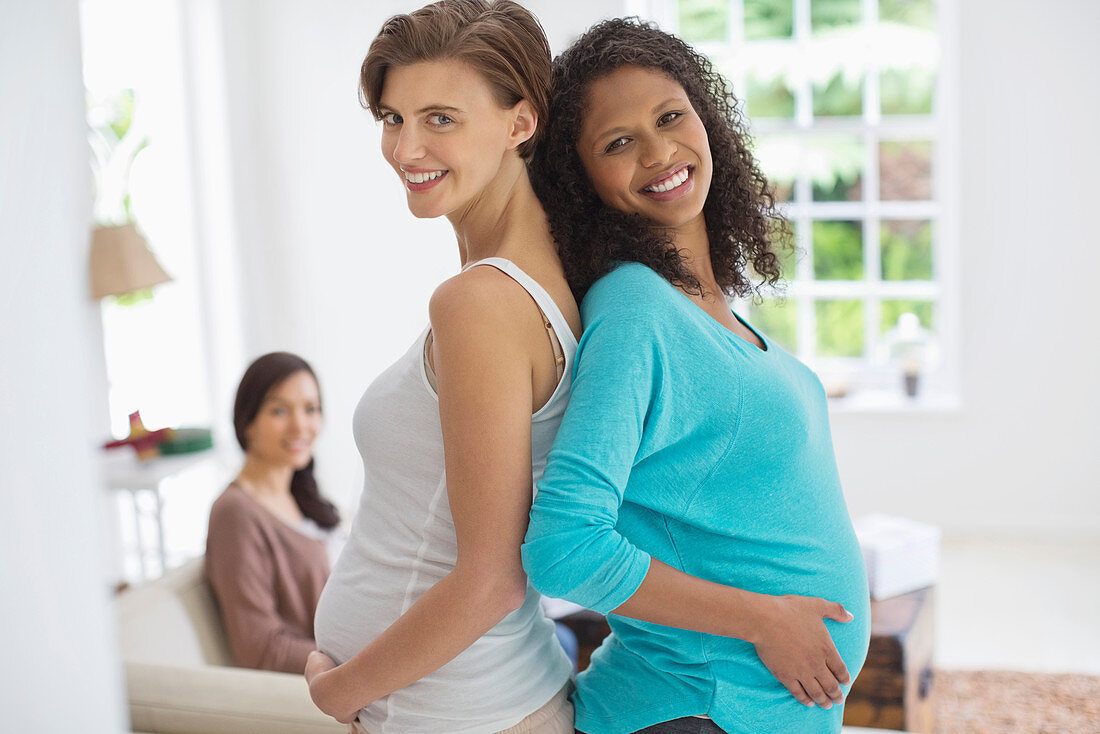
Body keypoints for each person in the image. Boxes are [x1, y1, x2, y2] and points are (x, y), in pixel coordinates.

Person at [522, 18, 871, 734]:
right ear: (581, 179)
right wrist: (766, 620)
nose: (658, 151)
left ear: (707, 120)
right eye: (617, 143)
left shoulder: (711, 314)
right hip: (693, 711)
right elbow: (564, 547)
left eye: (670, 116)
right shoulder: (635, 308)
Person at [305, 2, 580, 732]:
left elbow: (489, 579)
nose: (405, 149)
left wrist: (338, 689)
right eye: (393, 119)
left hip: (454, 710)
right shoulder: (534, 278)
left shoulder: (480, 303)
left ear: (521, 123)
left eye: (441, 119)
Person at [205, 351, 341, 674]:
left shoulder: (301, 495)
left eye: (311, 409)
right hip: (334, 681)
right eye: (279, 410)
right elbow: (261, 649)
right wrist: (361, 662)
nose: (300, 426)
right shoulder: (235, 514)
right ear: (247, 422)